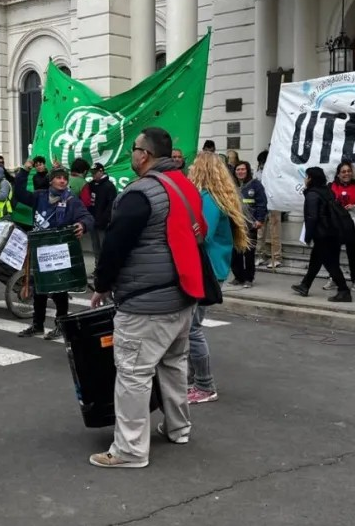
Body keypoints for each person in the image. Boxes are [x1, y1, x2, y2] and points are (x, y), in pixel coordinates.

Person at [88, 127, 202, 468]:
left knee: (134, 373)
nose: (132, 153)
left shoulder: (140, 194)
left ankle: (130, 450)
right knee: (173, 364)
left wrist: (101, 284)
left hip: (145, 302)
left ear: (146, 154)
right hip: (181, 295)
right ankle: (178, 428)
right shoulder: (184, 186)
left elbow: (115, 246)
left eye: (134, 148)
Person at [186, 153, 250, 404]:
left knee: (192, 329)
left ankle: (204, 385)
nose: (190, 168)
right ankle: (194, 381)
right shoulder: (217, 197)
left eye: (193, 165)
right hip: (214, 268)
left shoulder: (208, 199)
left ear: (202, 170)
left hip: (206, 269)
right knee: (191, 327)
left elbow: (203, 234)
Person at [11, 161, 92, 340]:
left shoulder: (71, 201)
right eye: (58, 178)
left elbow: (87, 217)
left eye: (65, 178)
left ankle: (60, 325)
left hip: (59, 252)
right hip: (40, 250)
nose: (62, 181)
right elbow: (19, 193)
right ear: (51, 181)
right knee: (39, 288)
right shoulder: (40, 196)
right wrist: (25, 171)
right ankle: (37, 325)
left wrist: (82, 225)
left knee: (59, 290)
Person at [291, 167, 352, 302]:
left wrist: (308, 236)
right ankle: (305, 285)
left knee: (331, 264)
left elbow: (312, 218)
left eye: (307, 177)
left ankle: (344, 290)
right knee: (316, 260)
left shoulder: (313, 195)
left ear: (311, 179)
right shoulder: (327, 191)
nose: (305, 179)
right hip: (332, 232)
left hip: (323, 235)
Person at [327, 159, 355, 293]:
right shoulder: (331, 186)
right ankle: (333, 278)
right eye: (343, 172)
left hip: (352, 225)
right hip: (335, 226)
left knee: (353, 254)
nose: (346, 174)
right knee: (333, 254)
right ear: (338, 174)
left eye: (349, 171)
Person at [230, 161, 266, 288]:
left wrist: (260, 219)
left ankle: (248, 279)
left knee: (249, 254)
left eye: (243, 169)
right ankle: (238, 277)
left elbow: (262, 203)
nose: (240, 172)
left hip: (250, 225)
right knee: (235, 253)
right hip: (235, 225)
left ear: (248, 170)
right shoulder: (232, 185)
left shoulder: (256, 185)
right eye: (238, 170)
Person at [88, 163, 117, 257]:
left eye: (95, 172)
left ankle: (106, 268)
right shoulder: (91, 185)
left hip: (104, 223)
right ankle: (97, 268)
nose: (93, 175)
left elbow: (112, 205)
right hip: (92, 221)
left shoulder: (109, 186)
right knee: (95, 246)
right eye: (92, 173)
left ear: (101, 171)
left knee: (105, 247)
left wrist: (104, 219)